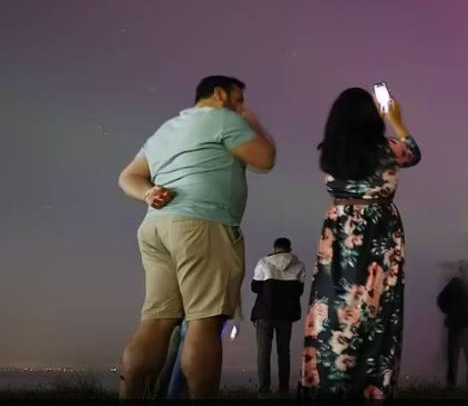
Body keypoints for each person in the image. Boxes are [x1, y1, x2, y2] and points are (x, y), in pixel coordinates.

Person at [117, 75, 276, 399]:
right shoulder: (223, 119)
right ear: (220, 95)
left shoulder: (166, 130)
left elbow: (127, 176)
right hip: (203, 226)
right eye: (238, 99)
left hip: (157, 228)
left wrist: (148, 193)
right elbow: (265, 159)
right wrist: (253, 122)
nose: (241, 107)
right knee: (205, 324)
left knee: (156, 321)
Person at [299, 87, 421, 400]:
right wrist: (397, 120)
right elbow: (414, 153)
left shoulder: (330, 154)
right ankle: (371, 386)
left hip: (340, 232)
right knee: (379, 310)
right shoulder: (388, 149)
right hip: (380, 231)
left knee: (334, 306)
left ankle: (329, 384)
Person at [251, 237, 306, 396]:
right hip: (286, 315)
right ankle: (283, 389)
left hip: (264, 313)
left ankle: (264, 389)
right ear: (290, 249)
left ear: (275, 248)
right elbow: (299, 291)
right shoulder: (299, 265)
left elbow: (255, 287)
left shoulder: (264, 262)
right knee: (284, 352)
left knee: (263, 352)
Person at [436, 260, 468, 387]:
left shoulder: (455, 284)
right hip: (465, 325)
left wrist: (449, 312)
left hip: (456, 325)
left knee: (454, 356)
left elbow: (441, 300)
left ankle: (452, 385)